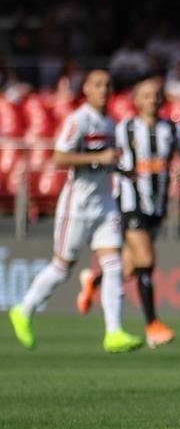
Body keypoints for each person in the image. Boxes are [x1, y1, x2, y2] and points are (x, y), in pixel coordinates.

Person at [7, 70, 143, 354]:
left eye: (108, 85)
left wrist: (123, 170)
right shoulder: (78, 120)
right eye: (97, 85)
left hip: (105, 202)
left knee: (114, 265)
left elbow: (106, 160)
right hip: (78, 204)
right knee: (62, 267)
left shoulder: (111, 122)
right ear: (87, 90)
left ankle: (114, 332)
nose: (104, 89)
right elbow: (59, 157)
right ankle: (23, 309)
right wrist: (98, 157)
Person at [76, 76, 180, 348]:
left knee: (129, 267)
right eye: (146, 95)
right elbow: (106, 157)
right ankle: (153, 324)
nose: (152, 99)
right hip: (129, 204)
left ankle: (94, 281)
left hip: (157, 206)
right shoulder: (123, 128)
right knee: (146, 260)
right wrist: (119, 171)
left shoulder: (174, 130)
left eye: (156, 95)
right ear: (136, 100)